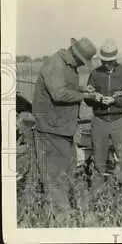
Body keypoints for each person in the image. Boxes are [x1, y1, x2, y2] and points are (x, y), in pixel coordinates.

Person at [30, 37, 98, 213]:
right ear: (75, 55)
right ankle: (62, 215)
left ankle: (66, 210)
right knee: (54, 174)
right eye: (81, 62)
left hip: (63, 128)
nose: (81, 65)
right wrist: (85, 96)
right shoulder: (56, 64)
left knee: (68, 170)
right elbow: (59, 94)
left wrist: (83, 89)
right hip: (51, 128)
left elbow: (65, 86)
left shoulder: (68, 66)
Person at [84, 38, 122, 190]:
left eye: (110, 61)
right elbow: (88, 99)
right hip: (99, 121)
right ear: (101, 59)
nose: (107, 64)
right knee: (98, 158)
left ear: (116, 59)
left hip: (120, 121)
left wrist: (114, 101)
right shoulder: (95, 74)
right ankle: (96, 194)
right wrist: (96, 98)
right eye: (104, 61)